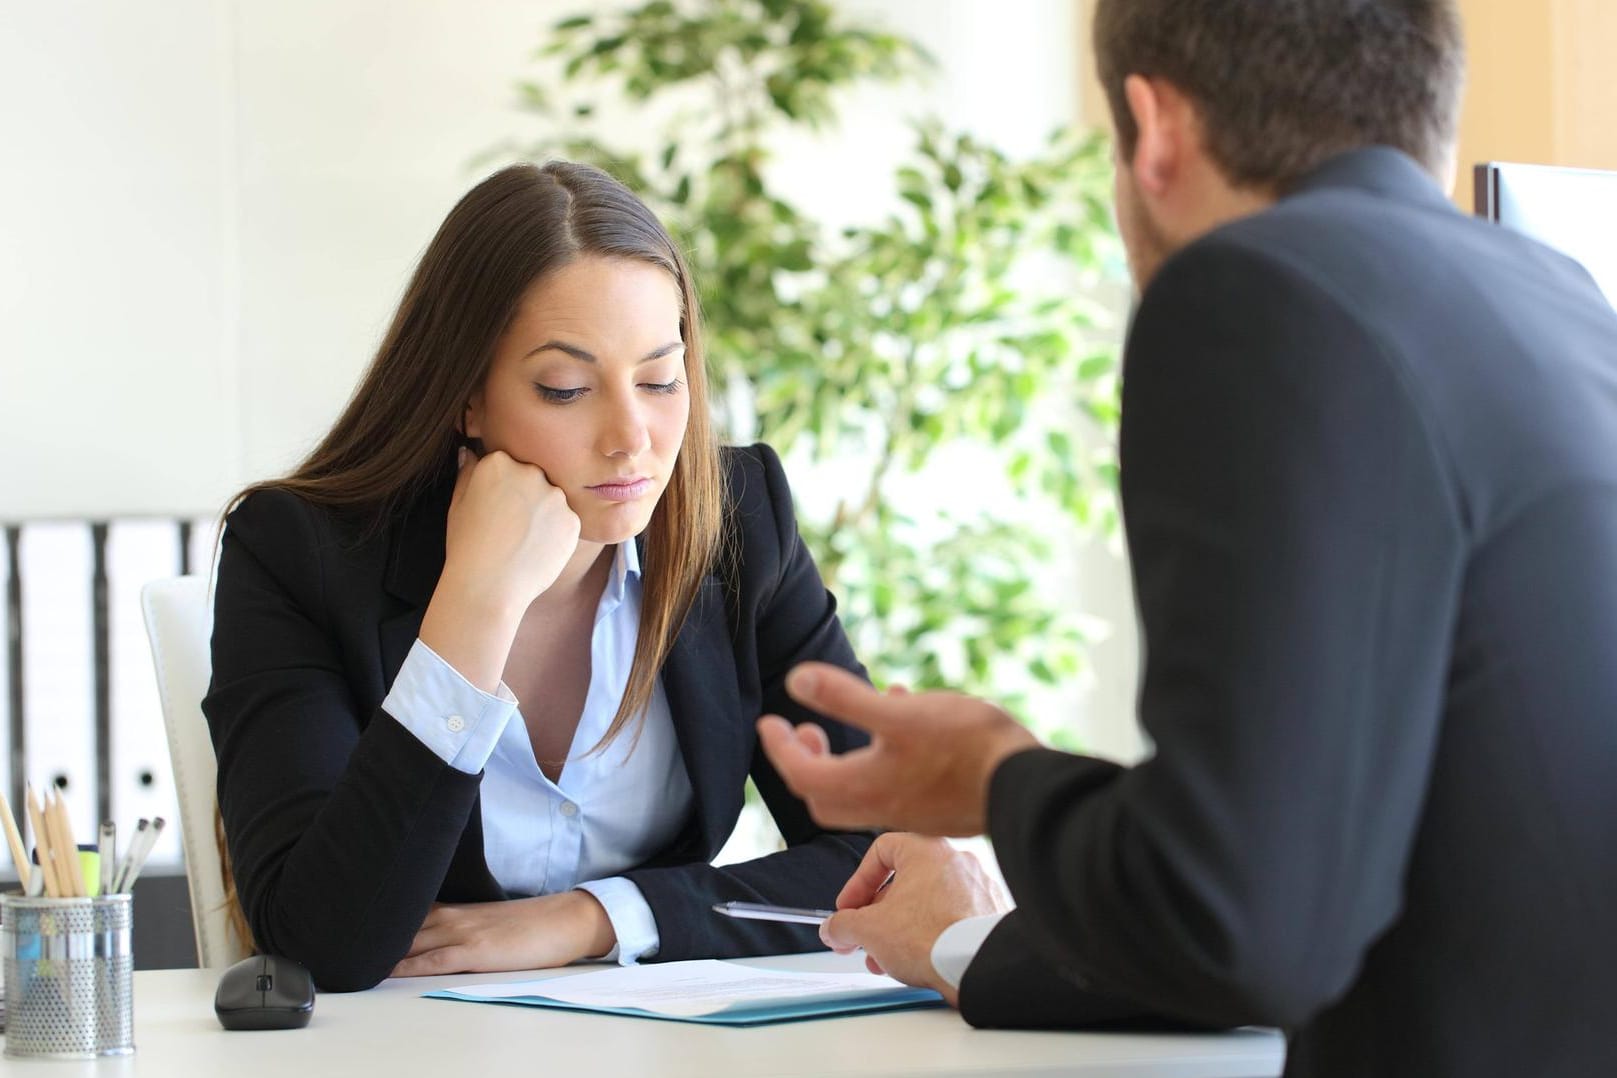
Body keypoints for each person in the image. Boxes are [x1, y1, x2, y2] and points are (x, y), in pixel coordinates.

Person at [756, 1, 1617, 1074]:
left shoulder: (1255, 285)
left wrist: (996, 774)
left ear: (1151, 126)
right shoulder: (1564, 297)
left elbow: (1239, 918)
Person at [203, 161, 874, 992]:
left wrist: (595, 919)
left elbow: (881, 860)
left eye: (662, 380)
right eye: (566, 389)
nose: (632, 437)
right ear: (465, 396)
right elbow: (319, 942)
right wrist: (473, 607)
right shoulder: (297, 553)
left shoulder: (738, 518)